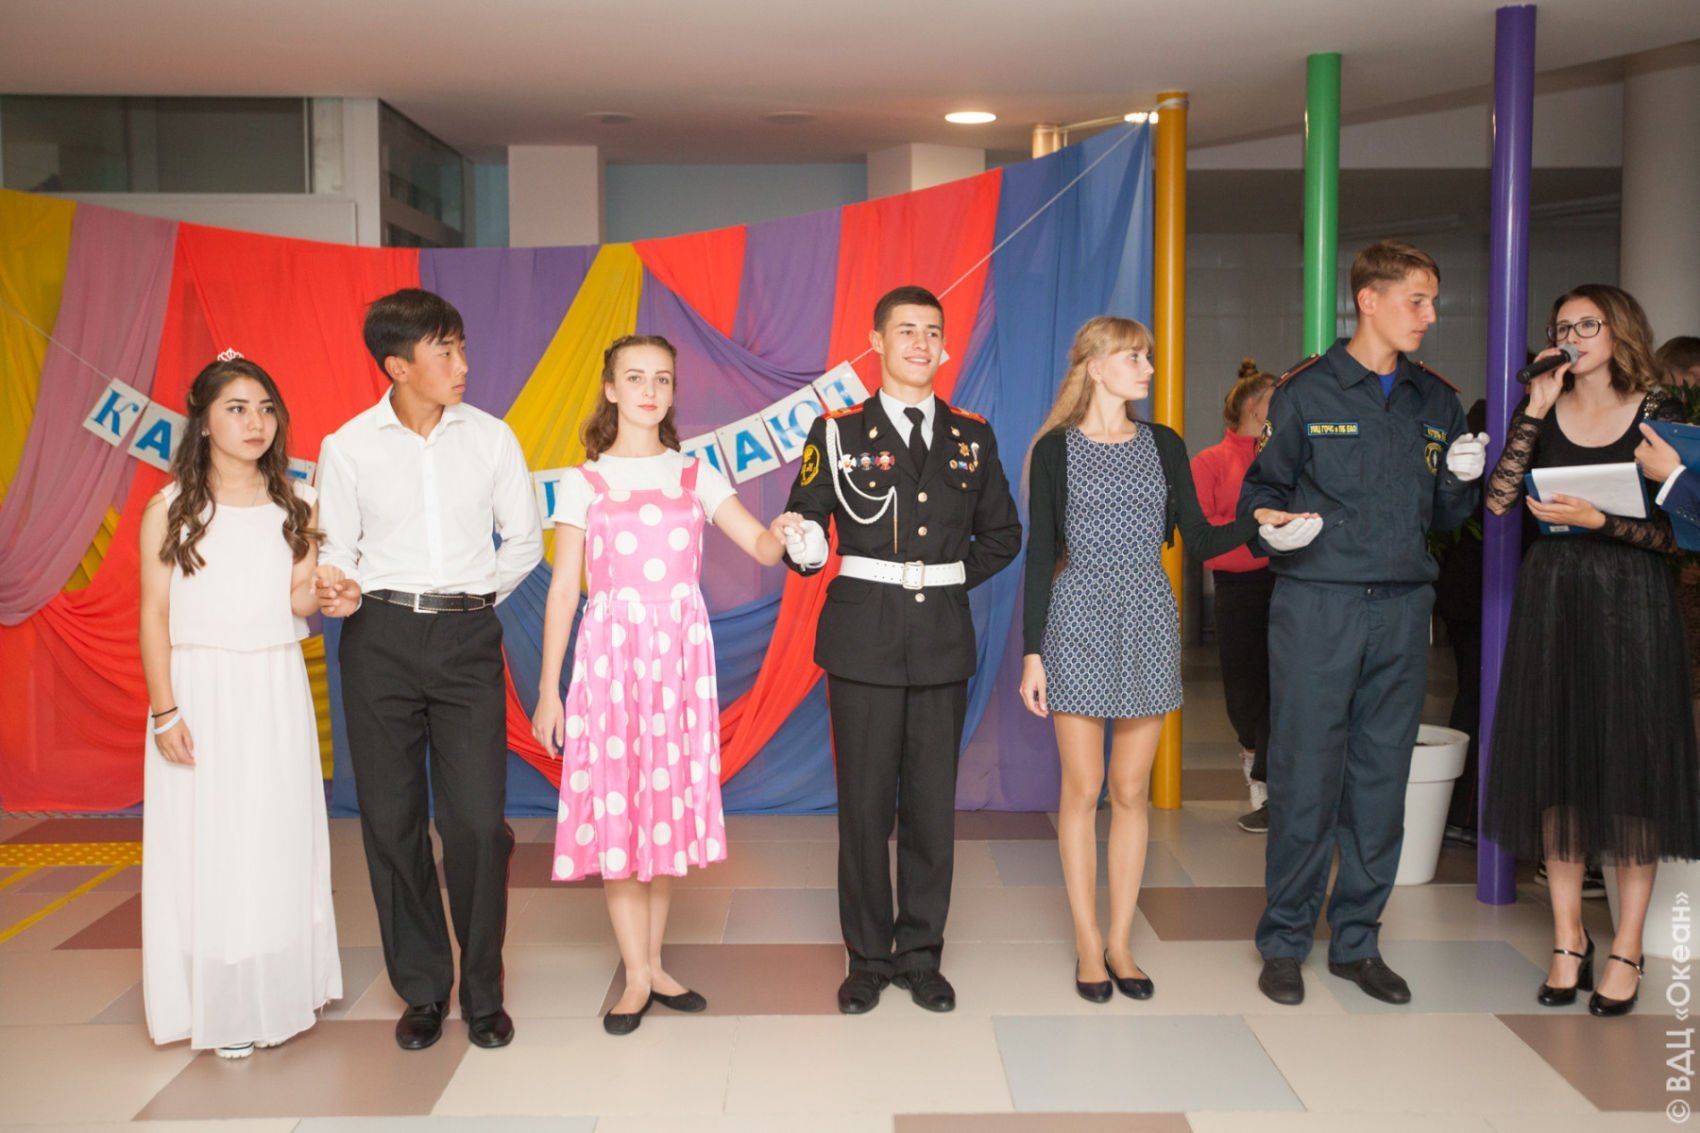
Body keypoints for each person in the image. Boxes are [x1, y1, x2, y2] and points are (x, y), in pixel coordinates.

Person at [1019, 319, 1306, 1003]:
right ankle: (1087, 941)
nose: (1147, 367)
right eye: (1133, 356)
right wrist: (1033, 653)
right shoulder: (1056, 450)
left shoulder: (1164, 443)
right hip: (1076, 616)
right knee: (1083, 789)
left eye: (1147, 356)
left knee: (1130, 791)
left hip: (1148, 616)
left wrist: (1261, 526)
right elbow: (1040, 556)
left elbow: (1200, 540)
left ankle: (1121, 943)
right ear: (1095, 366)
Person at [1239, 240, 1486, 1007]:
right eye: (1417, 299)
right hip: (1319, 604)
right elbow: (1259, 494)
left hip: (1403, 609)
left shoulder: (1435, 400)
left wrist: (1463, 483)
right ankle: (1285, 940)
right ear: (1368, 300)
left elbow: (1442, 516)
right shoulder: (1306, 392)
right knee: (1306, 774)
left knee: (1381, 779)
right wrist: (1273, 528)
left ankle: (1357, 941)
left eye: (1433, 300)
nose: (1429, 315)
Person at [531, 335, 799, 1035]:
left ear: (673, 391)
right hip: (611, 660)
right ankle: (636, 975)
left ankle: (654, 964)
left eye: (662, 379)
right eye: (635, 377)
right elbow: (563, 590)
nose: (649, 390)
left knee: (662, 807)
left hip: (678, 659)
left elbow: (761, 545)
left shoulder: (694, 474)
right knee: (621, 805)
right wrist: (549, 690)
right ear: (610, 389)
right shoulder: (583, 482)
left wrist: (786, 528)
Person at [782, 285, 1023, 1015]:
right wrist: (800, 546)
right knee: (863, 806)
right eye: (907, 330)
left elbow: (1003, 534)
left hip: (941, 639)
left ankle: (921, 954)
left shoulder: (971, 436)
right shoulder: (837, 432)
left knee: (929, 806)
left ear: (944, 347)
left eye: (932, 332)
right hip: (863, 640)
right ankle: (867, 957)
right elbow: (806, 524)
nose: (921, 343)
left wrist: (943, 578)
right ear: (877, 342)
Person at [315, 288, 543, 1051]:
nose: (462, 363)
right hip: (377, 636)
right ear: (397, 365)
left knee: (476, 821)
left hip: (467, 637)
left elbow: (524, 541)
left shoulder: (492, 438)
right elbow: (336, 547)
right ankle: (422, 987)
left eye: (462, 346)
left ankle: (483, 990)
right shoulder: (349, 446)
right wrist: (341, 582)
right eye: (445, 350)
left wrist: (471, 601)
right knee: (391, 819)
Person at [1482, 284, 1700, 1017]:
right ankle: (1568, 939)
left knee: (1633, 772)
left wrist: (1600, 520)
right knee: (1560, 770)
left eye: (1587, 324)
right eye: (1562, 327)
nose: (1572, 337)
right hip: (1556, 600)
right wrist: (1534, 409)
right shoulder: (1543, 407)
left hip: (1634, 602)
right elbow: (1499, 501)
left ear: (1619, 330)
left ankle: (1628, 945)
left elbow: (1680, 532)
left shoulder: (1658, 410)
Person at [139, 354, 341, 1059]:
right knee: (209, 839)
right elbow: (154, 611)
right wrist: (165, 710)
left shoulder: (301, 502)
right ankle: (220, 999)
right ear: (202, 421)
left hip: (274, 684)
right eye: (236, 408)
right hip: (199, 686)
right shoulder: (170, 508)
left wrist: (330, 592)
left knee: (273, 832)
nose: (256, 422)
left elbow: (297, 597)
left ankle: (276, 986)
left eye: (266, 408)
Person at [1190, 358, 1278, 834]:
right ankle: (1251, 751)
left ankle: (1269, 784)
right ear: (1252, 407)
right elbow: (1204, 537)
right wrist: (1258, 530)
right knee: (1244, 696)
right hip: (1237, 591)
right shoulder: (1210, 462)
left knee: (1281, 687)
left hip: (1286, 585)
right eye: (1275, 400)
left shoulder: (1286, 459)